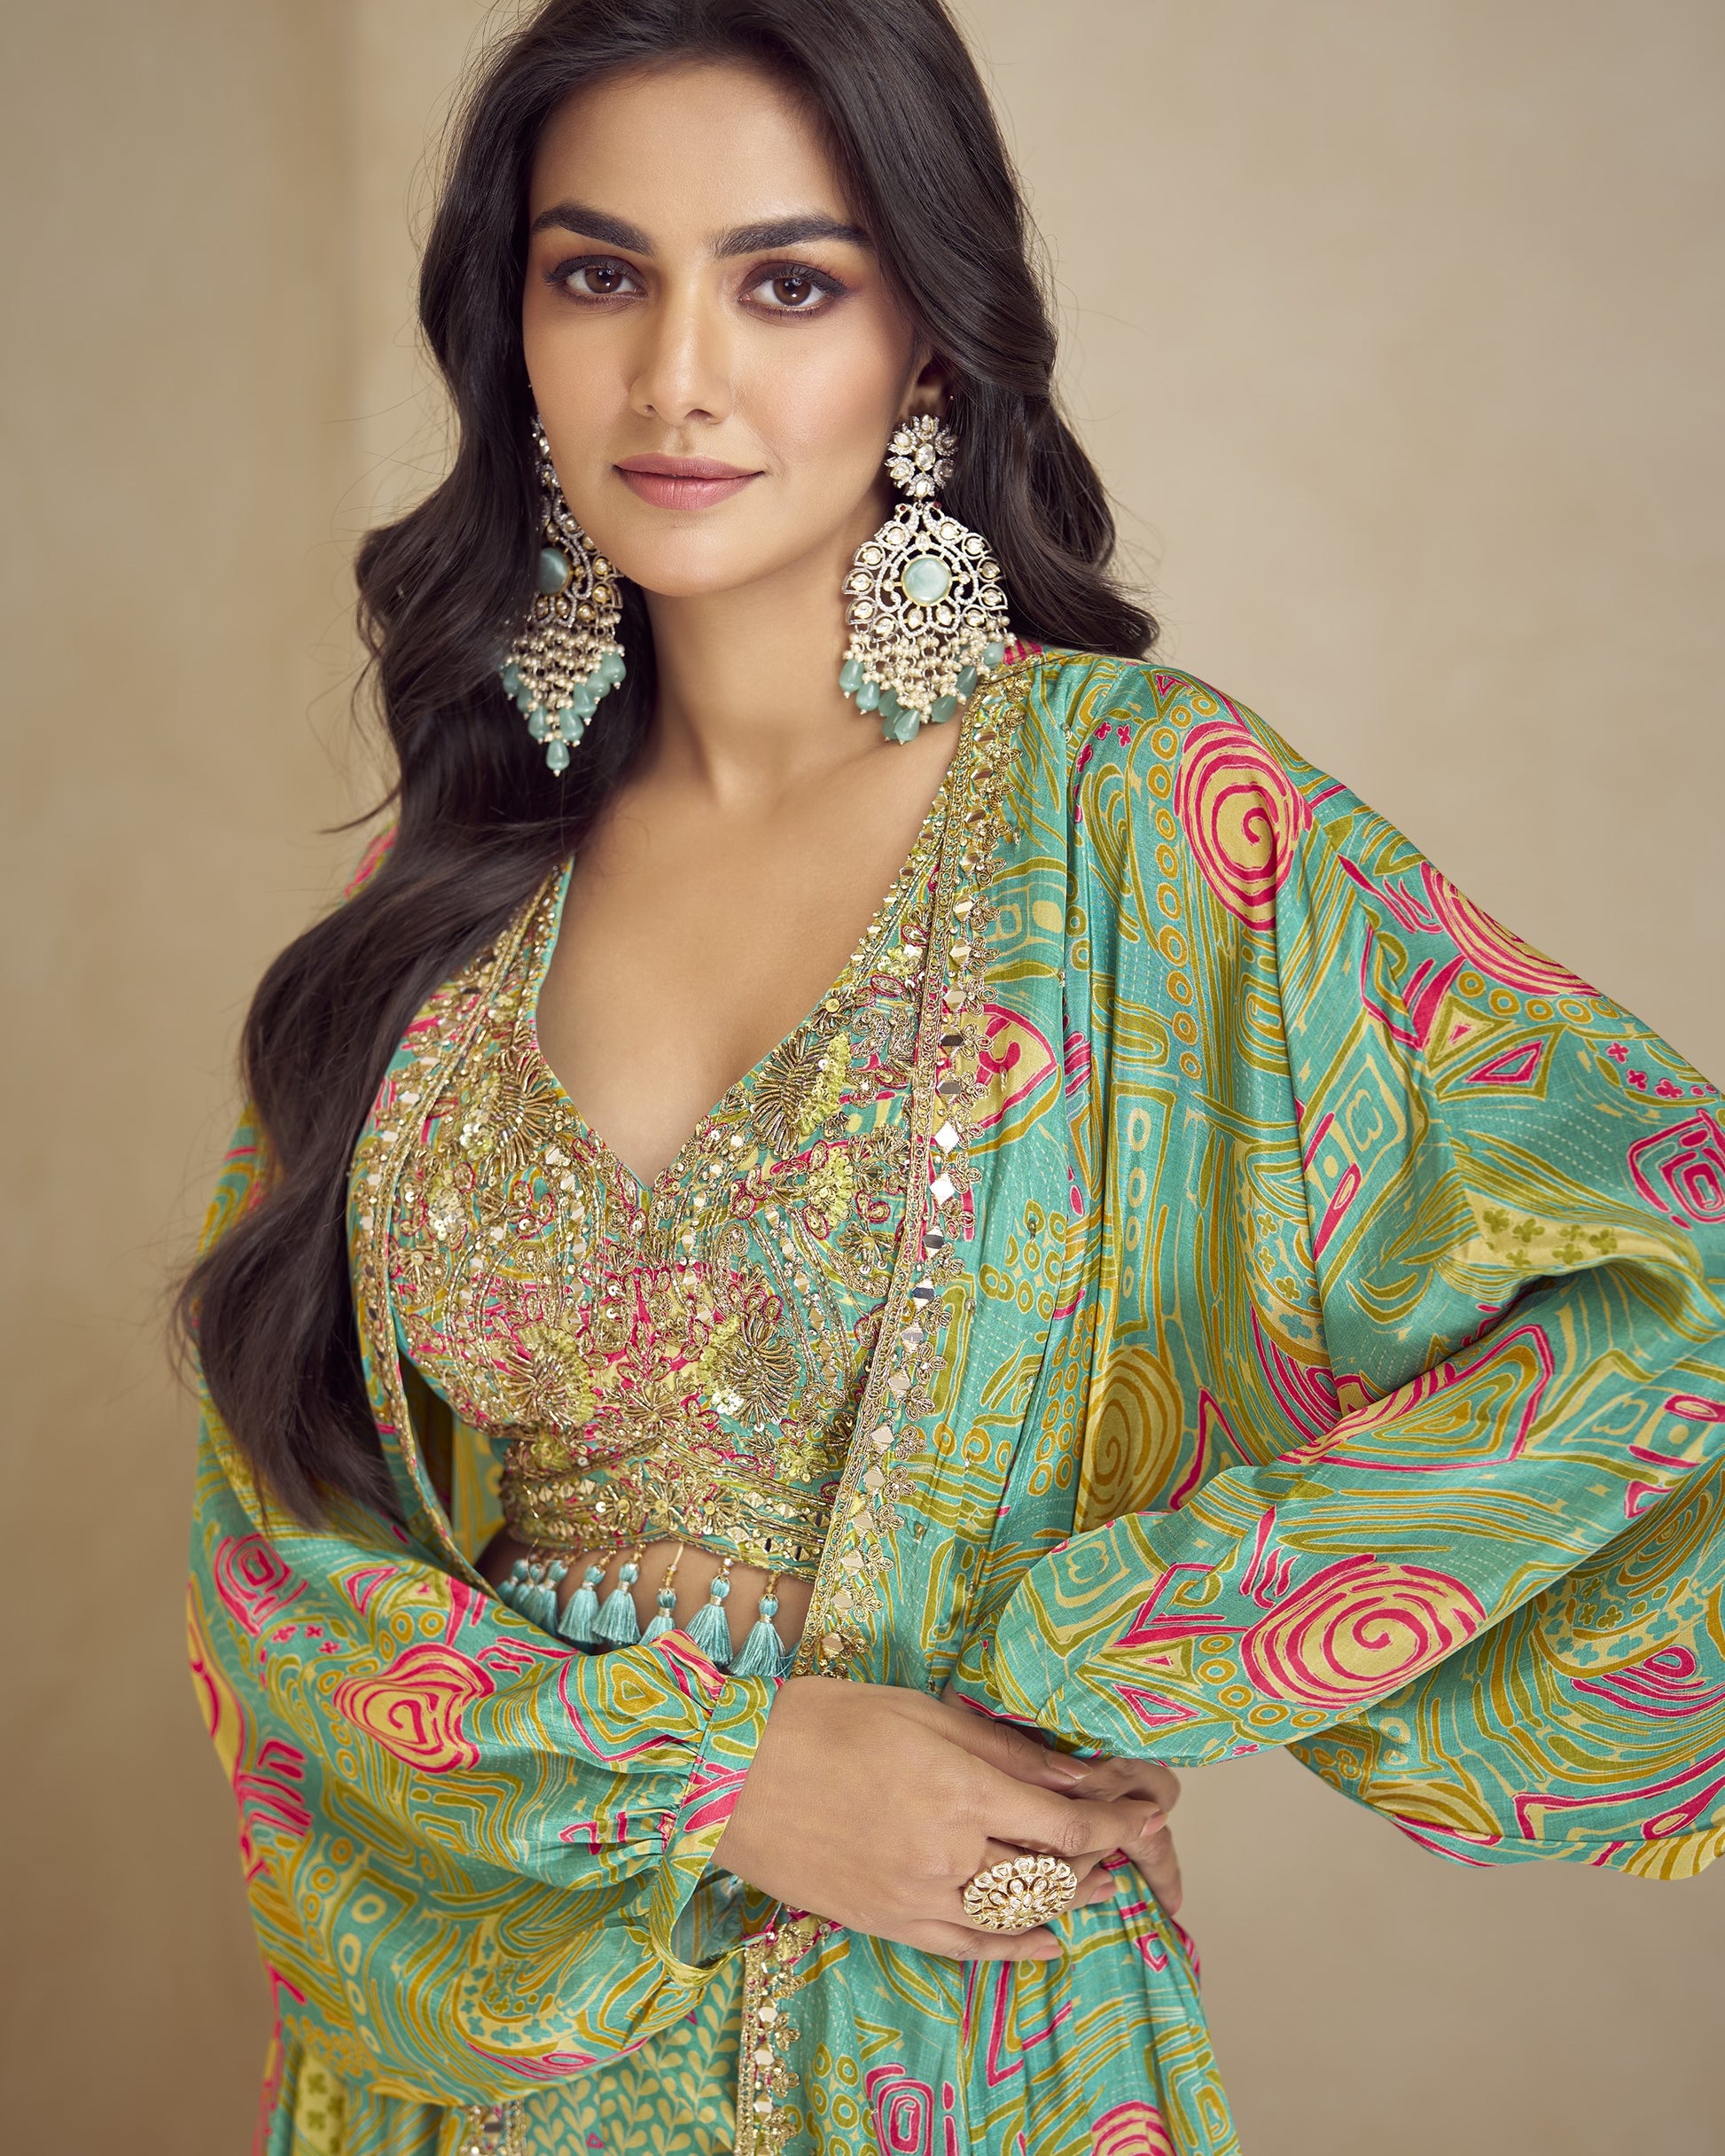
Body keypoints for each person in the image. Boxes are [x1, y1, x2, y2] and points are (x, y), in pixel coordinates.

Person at [182, 3, 1725, 2152]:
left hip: (948, 2046)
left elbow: (1670, 1279)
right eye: (598, 271)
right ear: (512, 325)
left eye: (786, 281)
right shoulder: (438, 896)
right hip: (477, 2068)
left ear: (926, 346)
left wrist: (1121, 1653)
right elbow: (279, 1544)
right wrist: (725, 1781)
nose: (675, 375)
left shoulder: (1128, 818)